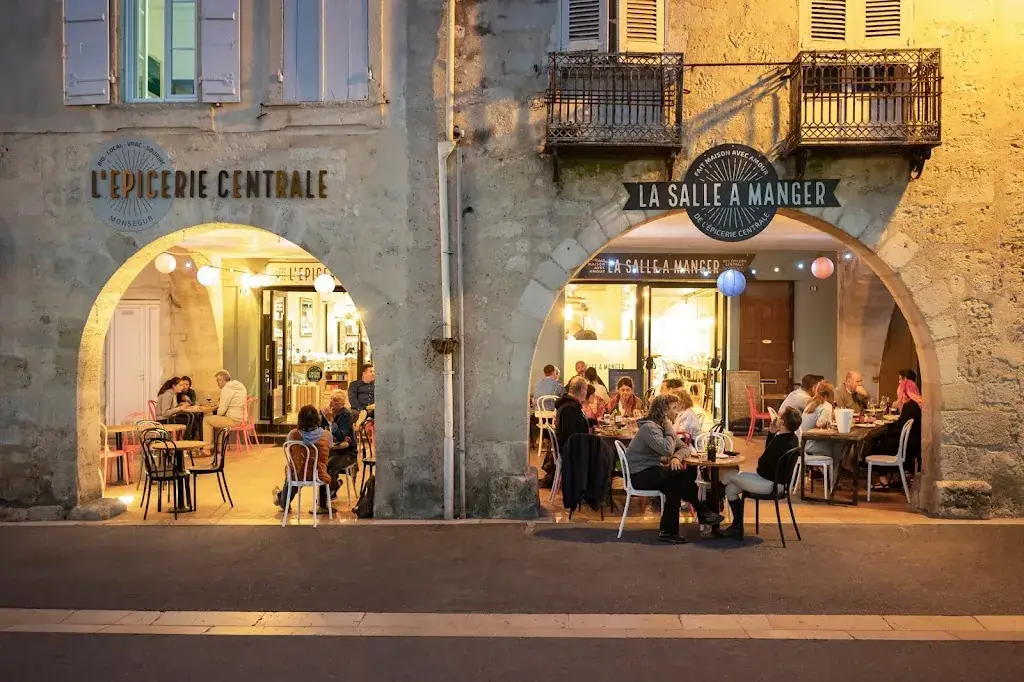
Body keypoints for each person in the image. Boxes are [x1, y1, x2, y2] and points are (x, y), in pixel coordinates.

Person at [623, 394, 723, 543]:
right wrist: (670, 429)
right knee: (682, 477)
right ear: (664, 411)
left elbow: (684, 447)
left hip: (651, 470)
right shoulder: (650, 428)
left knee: (677, 484)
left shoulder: (661, 426)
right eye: (674, 408)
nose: (677, 412)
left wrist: (677, 458)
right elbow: (667, 450)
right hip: (639, 474)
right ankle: (701, 511)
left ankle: (670, 531)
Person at [718, 407, 802, 539]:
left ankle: (713, 504)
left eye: (779, 417)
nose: (776, 418)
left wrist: (771, 434)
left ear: (783, 423)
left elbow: (762, 465)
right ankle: (736, 526)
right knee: (731, 488)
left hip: (769, 484)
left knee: (728, 475)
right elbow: (768, 458)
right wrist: (772, 433)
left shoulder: (779, 441)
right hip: (779, 484)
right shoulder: (793, 439)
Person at [273, 405, 333, 513]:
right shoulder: (326, 435)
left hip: (298, 473)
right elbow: (329, 448)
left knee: (294, 469)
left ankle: (282, 499)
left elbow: (289, 447)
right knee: (309, 467)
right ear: (317, 418)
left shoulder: (293, 434)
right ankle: (280, 496)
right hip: (319, 474)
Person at [542, 376, 590, 487]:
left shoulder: (568, 404)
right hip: (570, 451)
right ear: (582, 390)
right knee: (605, 453)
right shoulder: (570, 408)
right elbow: (571, 436)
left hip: (567, 447)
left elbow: (576, 423)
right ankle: (594, 491)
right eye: (586, 390)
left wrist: (595, 421)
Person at [874, 376, 924, 479]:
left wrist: (886, 430)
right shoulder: (916, 405)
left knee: (881, 443)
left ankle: (883, 479)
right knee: (884, 439)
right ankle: (896, 475)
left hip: (908, 445)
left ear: (904, 392)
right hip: (915, 442)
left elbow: (901, 429)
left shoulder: (908, 406)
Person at [802, 381, 842, 483]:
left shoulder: (811, 403)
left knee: (837, 446)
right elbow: (820, 423)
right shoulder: (826, 406)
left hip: (802, 445)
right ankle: (833, 481)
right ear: (830, 394)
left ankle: (822, 473)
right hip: (812, 446)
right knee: (840, 446)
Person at [322, 389, 357, 497]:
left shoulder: (346, 415)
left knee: (329, 465)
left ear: (342, 403)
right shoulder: (326, 413)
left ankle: (331, 490)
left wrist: (331, 421)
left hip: (347, 453)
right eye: (331, 398)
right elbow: (321, 430)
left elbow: (341, 436)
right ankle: (330, 490)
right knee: (320, 464)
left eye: (336, 400)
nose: (332, 402)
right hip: (331, 450)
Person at [203, 370, 247, 447]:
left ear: (222, 380)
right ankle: (218, 446)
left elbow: (221, 411)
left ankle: (206, 449)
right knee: (216, 419)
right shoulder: (240, 386)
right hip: (242, 418)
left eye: (217, 381)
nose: (217, 384)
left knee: (206, 420)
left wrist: (217, 409)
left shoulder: (226, 389)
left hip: (234, 420)